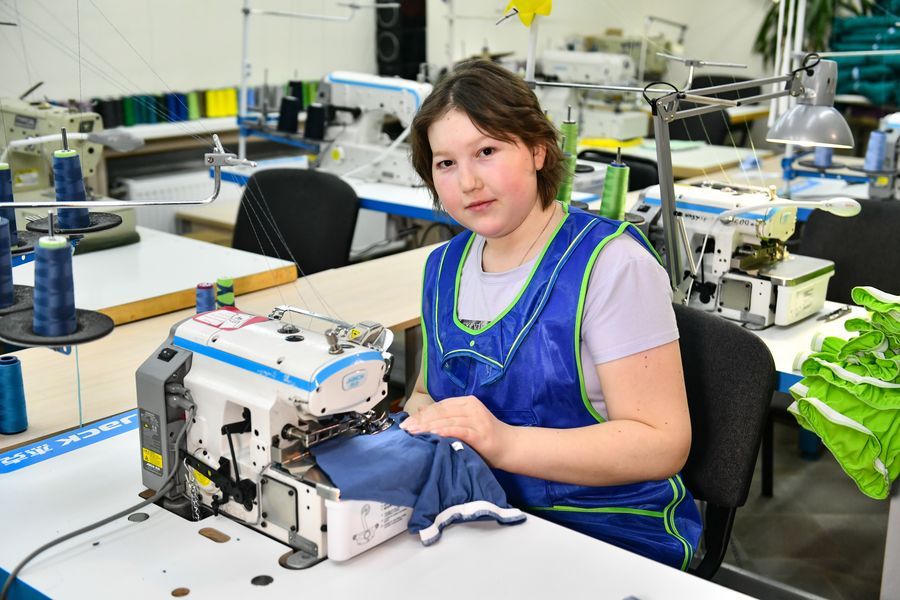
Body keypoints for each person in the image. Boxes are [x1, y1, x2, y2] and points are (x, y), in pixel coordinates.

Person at [401, 59, 701, 570]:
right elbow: (427, 395)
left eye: (487, 151)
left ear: (538, 150)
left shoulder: (612, 264)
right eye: (445, 163)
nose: (467, 182)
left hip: (609, 529)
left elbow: (662, 443)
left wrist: (503, 443)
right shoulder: (442, 267)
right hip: (481, 514)